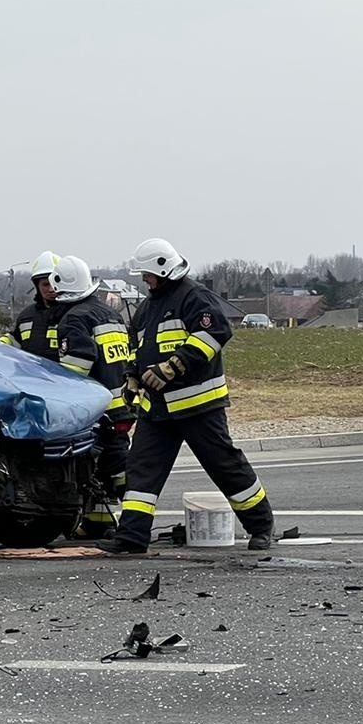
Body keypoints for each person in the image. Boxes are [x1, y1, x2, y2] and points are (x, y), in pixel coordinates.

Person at [100, 237, 275, 554]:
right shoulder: (146, 308)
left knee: (224, 466)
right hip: (157, 410)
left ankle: (261, 526)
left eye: (147, 275)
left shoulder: (194, 297)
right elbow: (136, 349)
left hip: (199, 407)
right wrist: (132, 378)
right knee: (141, 469)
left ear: (162, 270)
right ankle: (132, 536)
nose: (144, 281)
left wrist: (173, 366)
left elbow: (215, 333)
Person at [45, 255, 132, 530]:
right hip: (121, 403)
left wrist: (51, 387)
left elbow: (77, 366)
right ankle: (98, 523)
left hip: (96, 410)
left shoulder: (74, 319)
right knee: (108, 466)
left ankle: (135, 521)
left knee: (106, 467)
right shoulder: (109, 313)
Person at [0, 251, 61, 361]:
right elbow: (14, 340)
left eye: (54, 283)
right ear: (37, 285)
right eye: (46, 284)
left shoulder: (73, 314)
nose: (51, 289)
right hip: (30, 376)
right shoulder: (26, 316)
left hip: (63, 377)